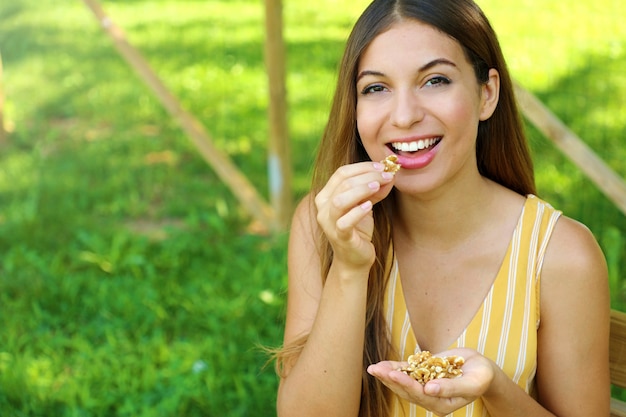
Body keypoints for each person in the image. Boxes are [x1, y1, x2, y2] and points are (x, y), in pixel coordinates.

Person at [274, 0, 610, 416]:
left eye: (434, 80)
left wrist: (495, 389)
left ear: (487, 93)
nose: (404, 116)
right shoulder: (326, 223)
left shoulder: (561, 256)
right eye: (376, 88)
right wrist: (349, 268)